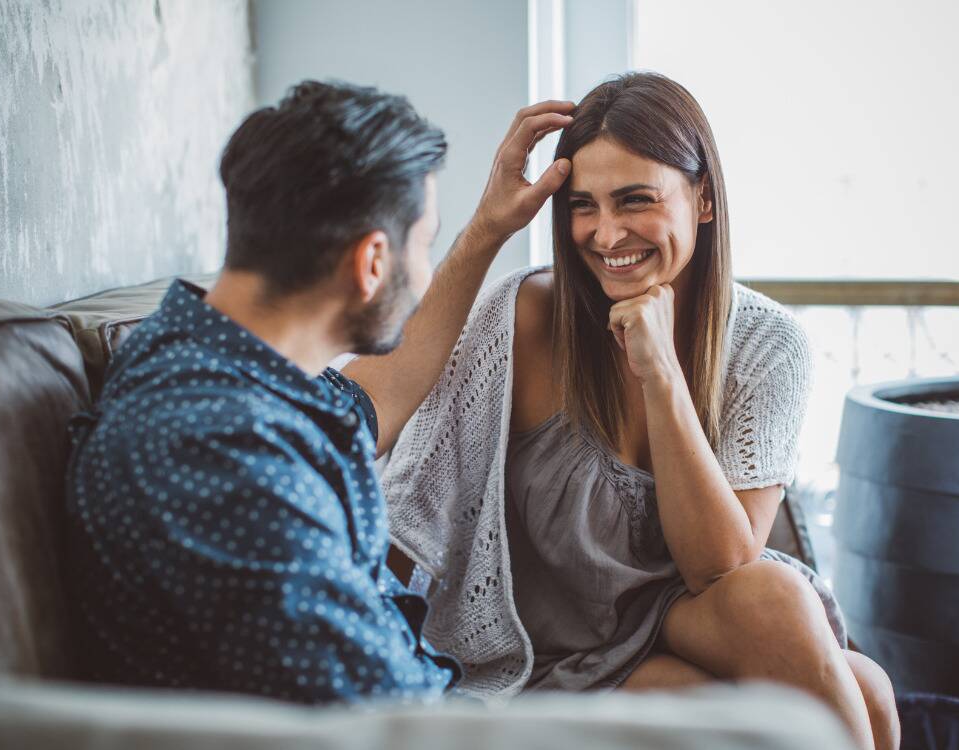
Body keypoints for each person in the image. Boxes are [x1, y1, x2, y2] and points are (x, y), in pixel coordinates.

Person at [367, 73, 900, 750]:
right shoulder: (527, 318)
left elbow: (720, 567)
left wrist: (661, 374)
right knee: (793, 707)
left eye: (635, 200)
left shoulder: (769, 346)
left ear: (703, 199)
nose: (605, 232)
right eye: (583, 205)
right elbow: (396, 432)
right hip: (549, 655)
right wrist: (491, 223)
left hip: (688, 617)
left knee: (860, 681)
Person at [64, 80, 574, 704]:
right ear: (370, 263)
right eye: (424, 244)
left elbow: (375, 402)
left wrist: (486, 230)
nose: (421, 274)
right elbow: (389, 719)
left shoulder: (221, 367)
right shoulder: (219, 454)